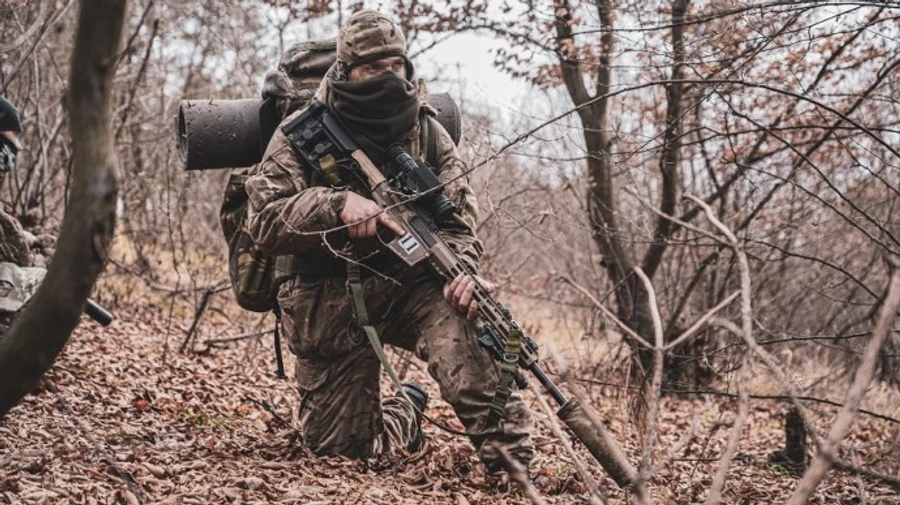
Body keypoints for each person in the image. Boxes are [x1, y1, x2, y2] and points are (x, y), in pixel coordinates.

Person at [245, 10, 534, 472]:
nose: (387, 77)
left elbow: (459, 224)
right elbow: (262, 222)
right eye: (372, 68)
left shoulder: (427, 131)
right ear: (345, 71)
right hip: (327, 297)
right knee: (339, 453)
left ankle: (516, 472)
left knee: (472, 331)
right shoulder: (301, 130)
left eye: (395, 66)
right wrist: (335, 205)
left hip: (413, 283)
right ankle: (406, 411)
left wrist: (462, 269)